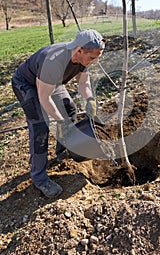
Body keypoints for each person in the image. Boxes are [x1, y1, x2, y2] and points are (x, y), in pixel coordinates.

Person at [12, 28, 105, 198]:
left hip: (51, 82)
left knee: (70, 109)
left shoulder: (83, 59)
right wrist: (60, 121)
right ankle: (39, 178)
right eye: (93, 58)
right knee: (40, 126)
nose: (96, 61)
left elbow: (83, 83)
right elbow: (44, 98)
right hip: (27, 84)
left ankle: (63, 149)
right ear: (79, 50)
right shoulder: (54, 62)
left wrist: (90, 99)